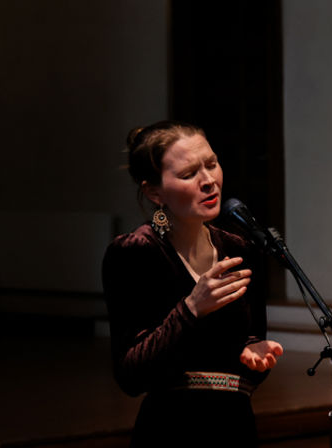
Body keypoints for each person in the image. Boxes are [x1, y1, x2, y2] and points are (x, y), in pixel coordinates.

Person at [102, 120, 284, 446]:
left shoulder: (239, 249)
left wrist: (256, 354)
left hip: (236, 425)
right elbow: (130, 374)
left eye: (212, 164)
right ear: (153, 192)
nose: (209, 181)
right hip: (173, 428)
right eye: (188, 174)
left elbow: (246, 365)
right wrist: (190, 309)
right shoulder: (136, 252)